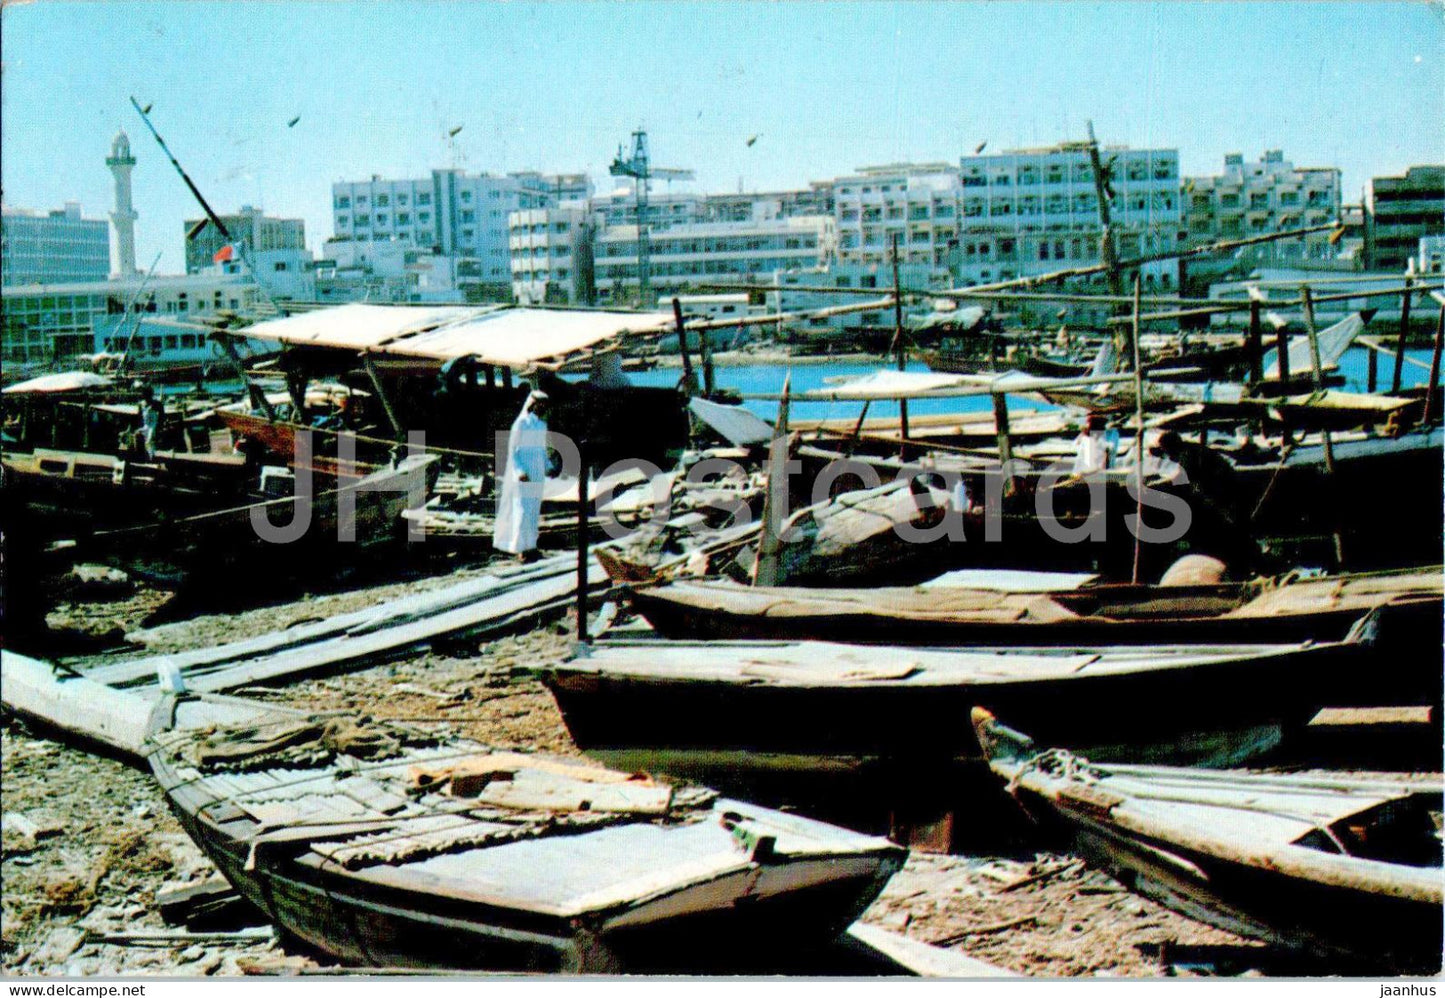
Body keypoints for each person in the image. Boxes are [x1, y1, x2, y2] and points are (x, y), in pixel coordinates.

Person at [493, 390, 550, 561]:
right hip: (523, 473)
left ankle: (531, 546)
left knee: (533, 511)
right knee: (522, 510)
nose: (542, 408)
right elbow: (513, 451)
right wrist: (520, 472)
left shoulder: (541, 425)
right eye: (540, 404)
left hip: (537, 473)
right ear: (532, 404)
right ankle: (520, 549)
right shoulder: (520, 424)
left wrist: (549, 466)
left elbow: (542, 450)